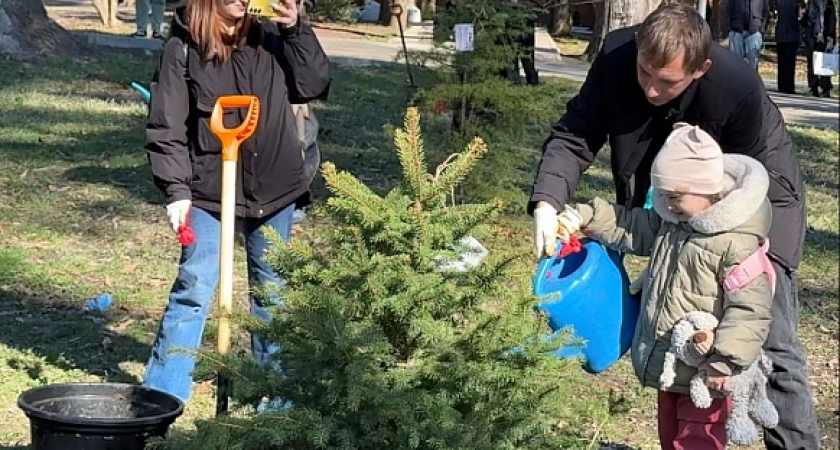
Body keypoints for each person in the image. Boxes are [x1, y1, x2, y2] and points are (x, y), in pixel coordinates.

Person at [529, 4, 818, 449]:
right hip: (672, 191)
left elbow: (740, 191)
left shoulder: (733, 87)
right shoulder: (616, 57)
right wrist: (549, 201)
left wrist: (734, 275)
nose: (649, 89)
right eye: (645, 72)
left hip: (750, 190)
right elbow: (576, 133)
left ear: (699, 69)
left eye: (666, 82)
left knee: (769, 340)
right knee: (676, 326)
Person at [142, 0, 330, 402]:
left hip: (276, 186)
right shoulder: (183, 48)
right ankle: (163, 398)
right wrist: (176, 191)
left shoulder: (273, 35)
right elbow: (167, 125)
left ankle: (274, 400)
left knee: (272, 292)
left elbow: (313, 84)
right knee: (194, 285)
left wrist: (297, 28)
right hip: (208, 190)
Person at [556, 123, 773, 450]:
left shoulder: (736, 244)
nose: (666, 204)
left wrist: (726, 360)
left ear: (709, 190)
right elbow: (630, 226)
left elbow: (751, 310)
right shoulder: (671, 221)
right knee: (670, 437)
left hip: (707, 372)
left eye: (675, 196)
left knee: (697, 443)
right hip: (671, 366)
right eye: (662, 195)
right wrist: (585, 215)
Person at [801, 0, 837, 97]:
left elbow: (832, 20)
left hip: (823, 37)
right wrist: (803, 13)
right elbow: (804, 21)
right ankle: (813, 87)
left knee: (824, 64)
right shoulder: (809, 3)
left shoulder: (828, 3)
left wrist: (830, 37)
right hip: (811, 37)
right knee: (811, 63)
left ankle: (825, 88)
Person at [726, 0, 770, 70]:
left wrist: (761, 29)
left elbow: (765, 12)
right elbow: (728, 10)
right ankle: (737, 80)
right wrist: (729, 28)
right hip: (736, 31)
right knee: (735, 63)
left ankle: (752, 80)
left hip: (754, 32)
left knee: (753, 63)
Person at [775, 0, 805, 94]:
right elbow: (802, 17)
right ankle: (787, 85)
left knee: (785, 61)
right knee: (787, 61)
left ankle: (784, 85)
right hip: (789, 33)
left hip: (786, 33)